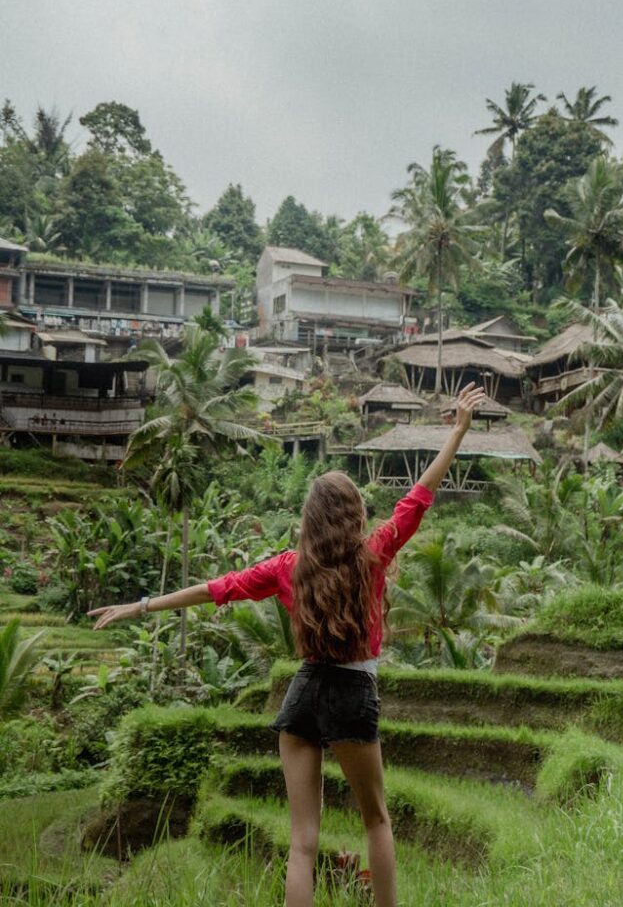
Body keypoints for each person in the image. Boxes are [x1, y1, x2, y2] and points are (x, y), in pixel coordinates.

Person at [89, 382, 485, 907]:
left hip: (302, 694)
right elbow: (419, 496)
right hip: (352, 693)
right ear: (354, 514)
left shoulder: (287, 568)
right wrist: (457, 429)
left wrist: (141, 605)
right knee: (377, 820)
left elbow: (217, 589)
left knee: (302, 842)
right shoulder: (374, 554)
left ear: (310, 519)